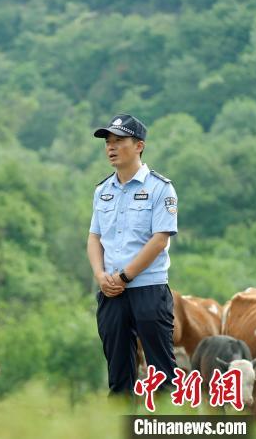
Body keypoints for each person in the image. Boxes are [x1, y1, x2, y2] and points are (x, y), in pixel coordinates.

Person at [87, 114, 179, 396]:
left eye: (119, 141)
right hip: (111, 294)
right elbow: (94, 237)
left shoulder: (160, 188)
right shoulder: (103, 190)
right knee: (118, 377)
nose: (111, 147)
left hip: (148, 290)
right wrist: (101, 276)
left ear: (139, 145)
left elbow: (159, 239)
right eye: (108, 142)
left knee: (162, 375)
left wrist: (125, 276)